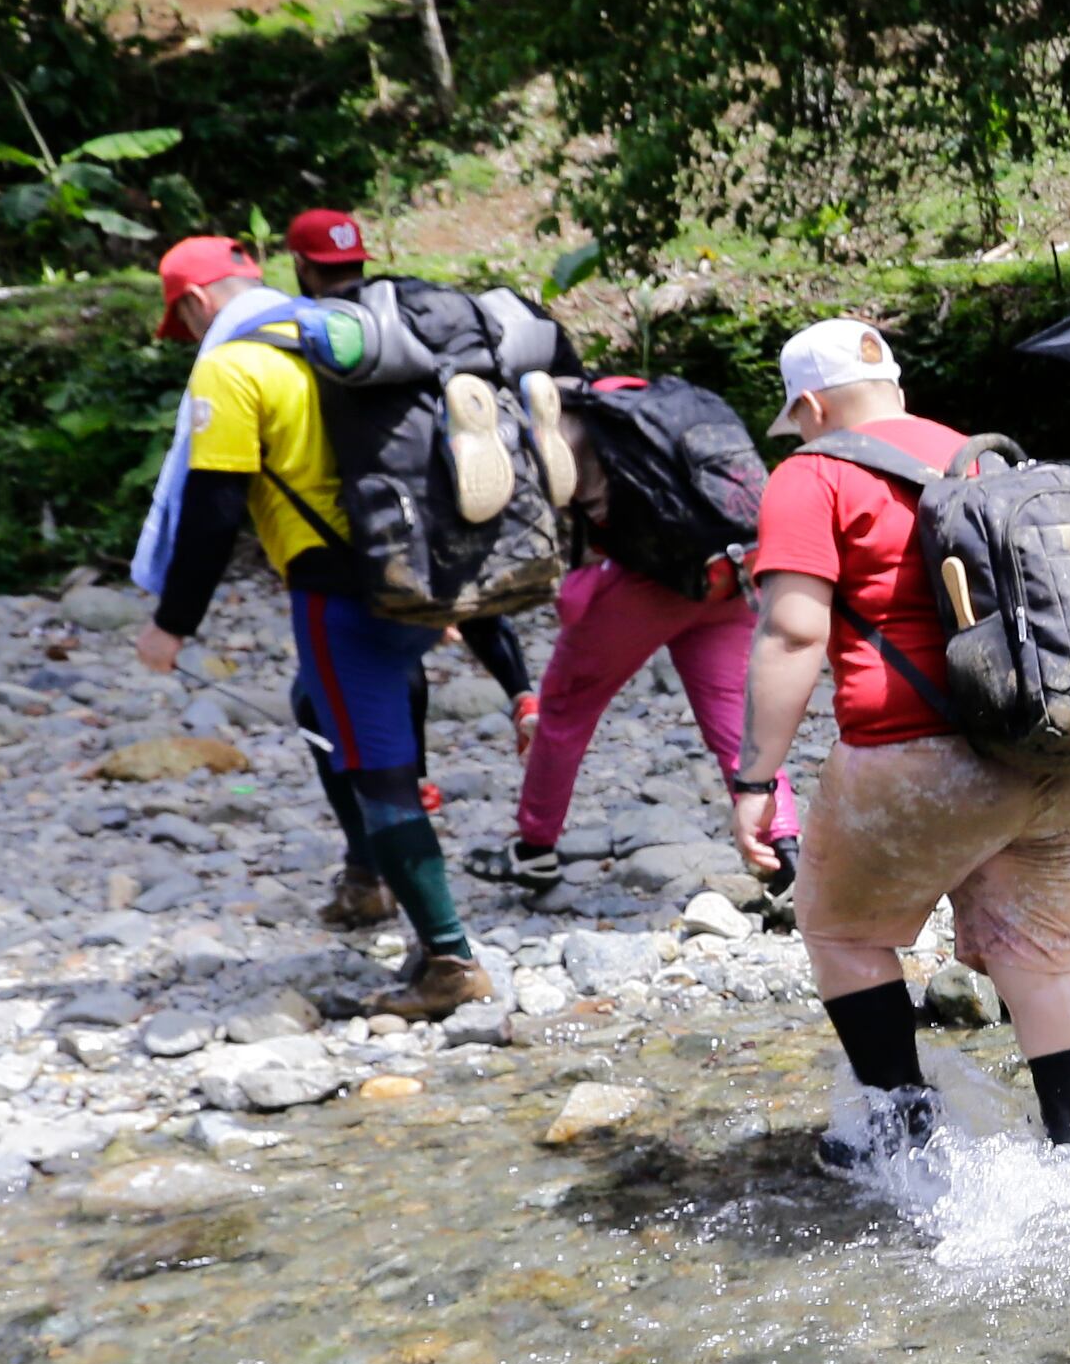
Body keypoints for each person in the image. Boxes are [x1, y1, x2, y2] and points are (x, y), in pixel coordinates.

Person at [730, 320, 1070, 1183]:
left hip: (914, 758)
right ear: (892, 383)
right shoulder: (986, 458)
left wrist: (753, 779)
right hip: (1050, 749)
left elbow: (791, 632)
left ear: (810, 406)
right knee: (1041, 960)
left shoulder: (810, 472)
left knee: (842, 928)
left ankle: (905, 1144)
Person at [135, 231, 496, 1018]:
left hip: (340, 594)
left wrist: (172, 624)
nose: (188, 338)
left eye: (184, 322)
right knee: (314, 707)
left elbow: (213, 510)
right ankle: (369, 881)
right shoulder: (355, 338)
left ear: (196, 304)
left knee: (379, 771)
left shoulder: (234, 367)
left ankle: (448, 960)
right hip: (421, 571)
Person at [482, 388, 796, 892]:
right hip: (728, 572)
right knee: (739, 719)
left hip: (646, 584)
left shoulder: (565, 426)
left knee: (565, 709)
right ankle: (784, 852)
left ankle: (536, 850)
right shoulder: (658, 403)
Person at [284, 207, 538, 730]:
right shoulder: (398, 315)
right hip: (452, 472)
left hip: (387, 505)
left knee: (389, 651)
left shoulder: (328, 335)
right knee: (469, 584)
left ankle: (412, 779)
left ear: (302, 265)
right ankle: (524, 695)